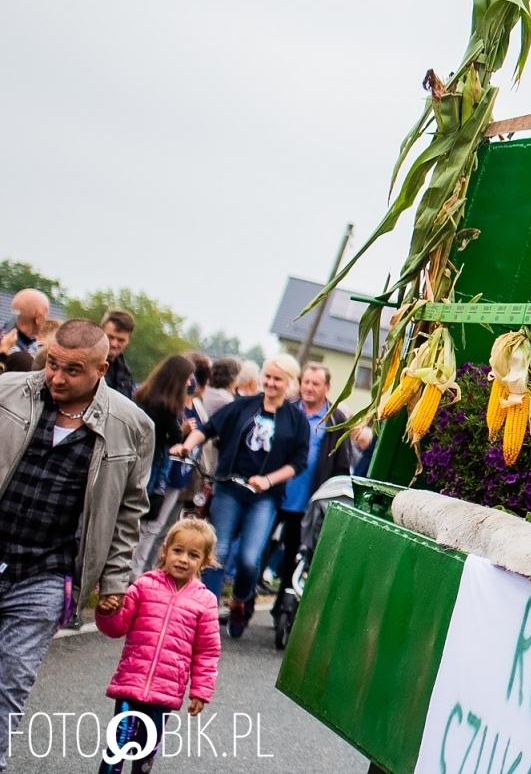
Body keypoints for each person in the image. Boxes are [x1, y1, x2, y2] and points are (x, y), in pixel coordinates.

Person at [0, 320, 154, 766]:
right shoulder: (8, 393)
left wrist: (115, 581)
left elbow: (129, 511)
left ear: (101, 369)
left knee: (11, 680)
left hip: (46, 572)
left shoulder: (132, 426)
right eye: (53, 364)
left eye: (72, 370)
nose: (57, 377)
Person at [170, 353, 309, 638]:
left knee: (249, 558)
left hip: (264, 497)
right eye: (267, 377)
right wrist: (187, 445)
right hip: (229, 488)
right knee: (218, 552)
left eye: (277, 379)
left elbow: (298, 463)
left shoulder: (296, 420)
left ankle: (240, 600)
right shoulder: (243, 406)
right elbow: (208, 429)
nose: (271, 383)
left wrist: (267, 480)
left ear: (289, 383)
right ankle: (205, 613)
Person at [95, 518, 220, 774]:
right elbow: (117, 627)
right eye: (178, 551)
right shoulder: (144, 586)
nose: (183, 559)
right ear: (165, 550)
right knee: (118, 744)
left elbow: (207, 652)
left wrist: (200, 691)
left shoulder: (205, 601)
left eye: (193, 555)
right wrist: (107, 612)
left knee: (145, 750)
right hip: (131, 682)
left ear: (205, 561)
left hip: (166, 691)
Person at [270, 363, 351, 596]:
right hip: (274, 492)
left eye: (315, 383)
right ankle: (244, 602)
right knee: (260, 549)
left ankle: (282, 606)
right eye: (306, 382)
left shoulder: (335, 419)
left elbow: (341, 465)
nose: (309, 388)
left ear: (327, 387)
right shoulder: (286, 408)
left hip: (306, 501)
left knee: (292, 555)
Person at [130, 354, 197, 573]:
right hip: (155, 464)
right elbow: (176, 438)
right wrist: (184, 431)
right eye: (187, 377)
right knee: (150, 522)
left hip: (138, 459)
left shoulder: (143, 395)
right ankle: (135, 571)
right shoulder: (166, 405)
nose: (190, 382)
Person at [0, 288, 50, 355]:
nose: (46, 320)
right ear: (38, 318)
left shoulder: (4, 336)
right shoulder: (17, 352)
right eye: (46, 316)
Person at [102, 309, 138, 399]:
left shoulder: (125, 373)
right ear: (100, 332)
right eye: (110, 337)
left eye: (121, 340)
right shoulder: (87, 365)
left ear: (128, 340)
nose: (114, 344)